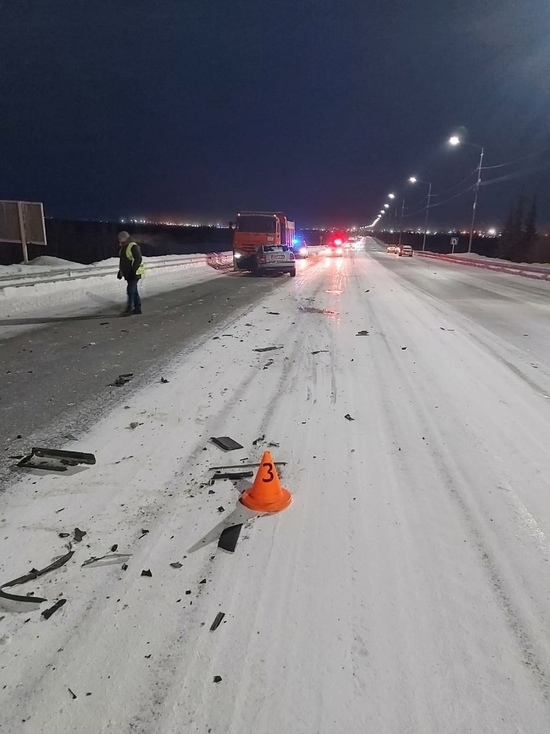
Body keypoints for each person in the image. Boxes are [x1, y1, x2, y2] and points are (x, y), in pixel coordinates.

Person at [117, 231, 144, 315]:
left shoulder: (133, 246)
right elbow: (124, 262)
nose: (119, 240)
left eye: (120, 238)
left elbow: (138, 259)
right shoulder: (124, 247)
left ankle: (129, 308)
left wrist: (133, 271)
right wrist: (121, 271)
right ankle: (137, 308)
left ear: (124, 238)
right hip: (129, 273)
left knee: (130, 290)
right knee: (134, 291)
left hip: (134, 273)